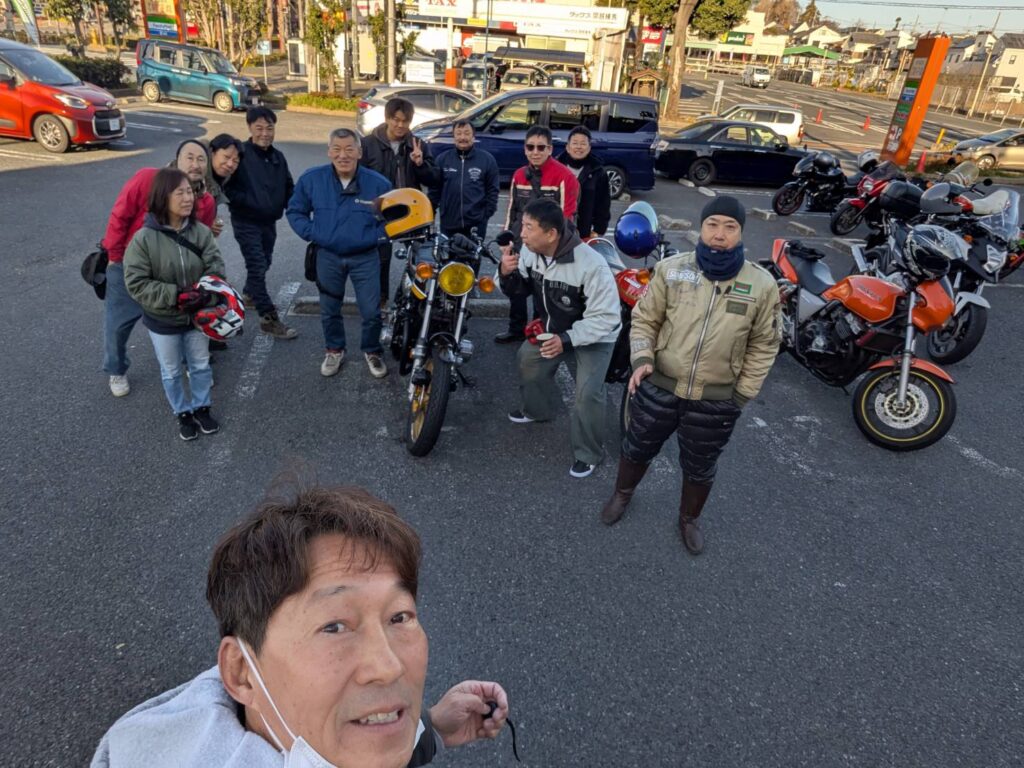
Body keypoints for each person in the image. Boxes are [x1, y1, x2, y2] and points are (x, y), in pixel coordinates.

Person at [90, 485, 511, 768]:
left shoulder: (303, 733)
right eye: (334, 627)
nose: (389, 666)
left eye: (399, 617)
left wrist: (432, 728)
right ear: (241, 672)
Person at [600, 197, 782, 555]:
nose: (719, 234)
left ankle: (689, 518)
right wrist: (642, 359)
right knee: (637, 446)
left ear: (741, 232)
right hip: (660, 385)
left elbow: (765, 344)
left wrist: (742, 394)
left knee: (700, 466)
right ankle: (622, 494)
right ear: (701, 227)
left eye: (729, 227)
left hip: (716, 398)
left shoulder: (762, 285)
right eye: (712, 224)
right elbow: (645, 319)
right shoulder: (672, 270)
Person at [499, 199, 620, 479]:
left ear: (551, 234)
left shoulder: (591, 265)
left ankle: (589, 454)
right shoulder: (530, 252)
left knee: (587, 394)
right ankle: (537, 410)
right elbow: (520, 290)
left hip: (596, 335)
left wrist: (565, 340)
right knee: (527, 359)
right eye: (522, 225)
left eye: (529, 227)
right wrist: (506, 273)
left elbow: (607, 318)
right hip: (555, 328)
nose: (522, 233)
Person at [100, 141, 220, 398]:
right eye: (189, 157)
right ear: (177, 159)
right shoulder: (147, 178)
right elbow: (120, 215)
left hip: (176, 274)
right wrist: (114, 256)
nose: (195, 164)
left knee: (186, 319)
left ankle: (192, 365)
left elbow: (201, 240)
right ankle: (116, 369)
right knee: (118, 324)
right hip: (132, 265)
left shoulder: (206, 201)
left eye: (201, 159)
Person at [122, 169, 226, 441]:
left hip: (197, 317)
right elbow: (136, 283)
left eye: (189, 191)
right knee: (171, 371)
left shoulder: (201, 232)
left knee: (200, 365)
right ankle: (182, 412)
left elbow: (216, 266)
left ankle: (202, 408)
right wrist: (175, 295)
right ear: (162, 197)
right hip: (163, 320)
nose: (188, 198)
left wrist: (204, 292)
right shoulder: (143, 239)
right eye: (179, 192)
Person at [288, 128, 392, 379]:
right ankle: (334, 349)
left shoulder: (379, 184)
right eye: (336, 149)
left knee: (371, 311)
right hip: (328, 256)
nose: (342, 155)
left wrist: (375, 237)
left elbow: (391, 219)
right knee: (329, 309)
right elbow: (295, 211)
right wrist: (314, 233)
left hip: (366, 257)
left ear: (359, 152)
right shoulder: (312, 179)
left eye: (348, 149)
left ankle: (372, 350)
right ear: (329, 151)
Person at [496, 126, 579, 345]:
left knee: (542, 291)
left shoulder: (565, 176)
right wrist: (506, 240)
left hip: (547, 246)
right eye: (530, 147)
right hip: (521, 240)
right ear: (525, 149)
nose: (535, 152)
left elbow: (566, 218)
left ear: (550, 149)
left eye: (541, 147)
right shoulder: (518, 175)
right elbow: (512, 210)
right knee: (515, 287)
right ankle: (516, 329)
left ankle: (538, 331)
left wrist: (557, 249)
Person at [361, 97, 441, 308]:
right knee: (380, 257)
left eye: (405, 121)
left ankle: (415, 300)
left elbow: (434, 179)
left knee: (419, 256)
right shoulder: (368, 144)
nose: (400, 125)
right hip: (380, 210)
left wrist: (420, 164)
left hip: (411, 211)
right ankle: (380, 300)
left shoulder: (417, 144)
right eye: (396, 119)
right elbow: (358, 178)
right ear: (387, 118)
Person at [226, 106, 298, 340]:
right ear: (249, 128)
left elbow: (289, 186)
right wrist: (248, 201)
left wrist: (297, 207)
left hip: (269, 221)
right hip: (246, 220)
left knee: (264, 261)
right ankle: (269, 319)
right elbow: (227, 187)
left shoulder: (278, 157)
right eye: (259, 128)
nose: (265, 133)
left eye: (269, 128)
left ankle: (250, 294)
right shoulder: (240, 154)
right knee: (257, 265)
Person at [430, 120, 499, 240]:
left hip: (476, 225)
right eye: (459, 133)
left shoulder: (487, 160)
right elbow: (434, 190)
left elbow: (493, 190)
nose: (463, 137)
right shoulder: (442, 160)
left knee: (474, 252)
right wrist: (431, 213)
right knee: (448, 252)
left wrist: (485, 215)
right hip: (449, 224)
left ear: (473, 136)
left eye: (467, 133)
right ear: (454, 137)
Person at [556, 126, 611, 239]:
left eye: (583, 143)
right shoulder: (556, 168)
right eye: (575, 143)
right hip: (556, 229)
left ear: (589, 148)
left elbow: (603, 204)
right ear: (567, 147)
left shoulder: (598, 171)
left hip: (584, 232)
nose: (579, 147)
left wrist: (598, 230)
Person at [205, 133, 244, 209]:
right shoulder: (195, 177)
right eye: (226, 157)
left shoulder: (224, 180)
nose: (230, 164)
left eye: (235, 161)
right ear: (212, 152)